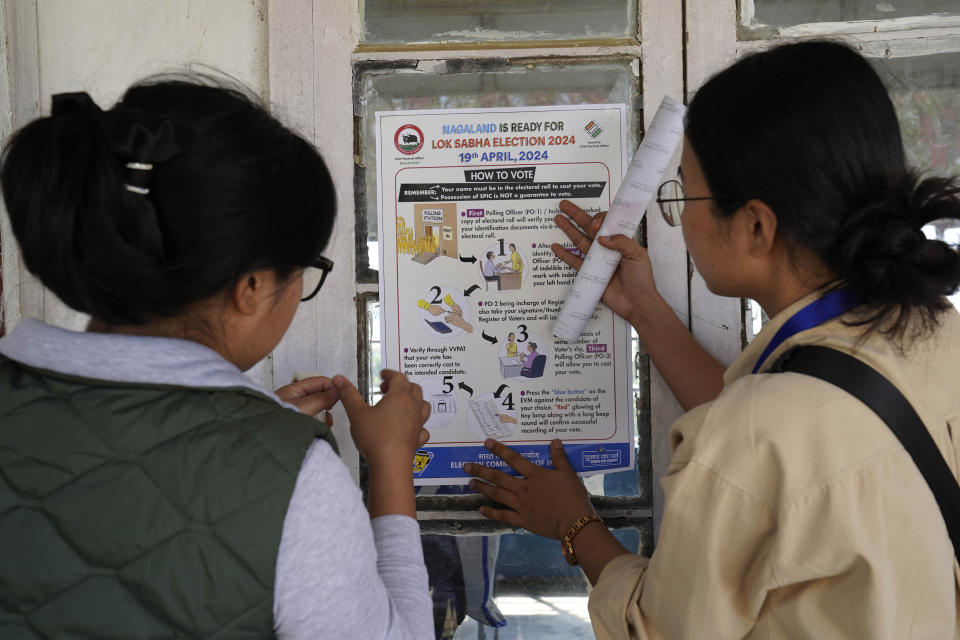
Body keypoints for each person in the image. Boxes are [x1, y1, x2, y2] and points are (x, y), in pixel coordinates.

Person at [464, 40, 960, 638]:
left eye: (684, 194)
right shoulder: (936, 332)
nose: (682, 218)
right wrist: (643, 306)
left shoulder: (757, 429)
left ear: (754, 225)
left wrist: (576, 525)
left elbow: (661, 628)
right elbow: (780, 435)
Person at [0, 77, 432, 638]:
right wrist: (392, 464)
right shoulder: (296, 481)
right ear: (251, 286)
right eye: (304, 268)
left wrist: (244, 432)